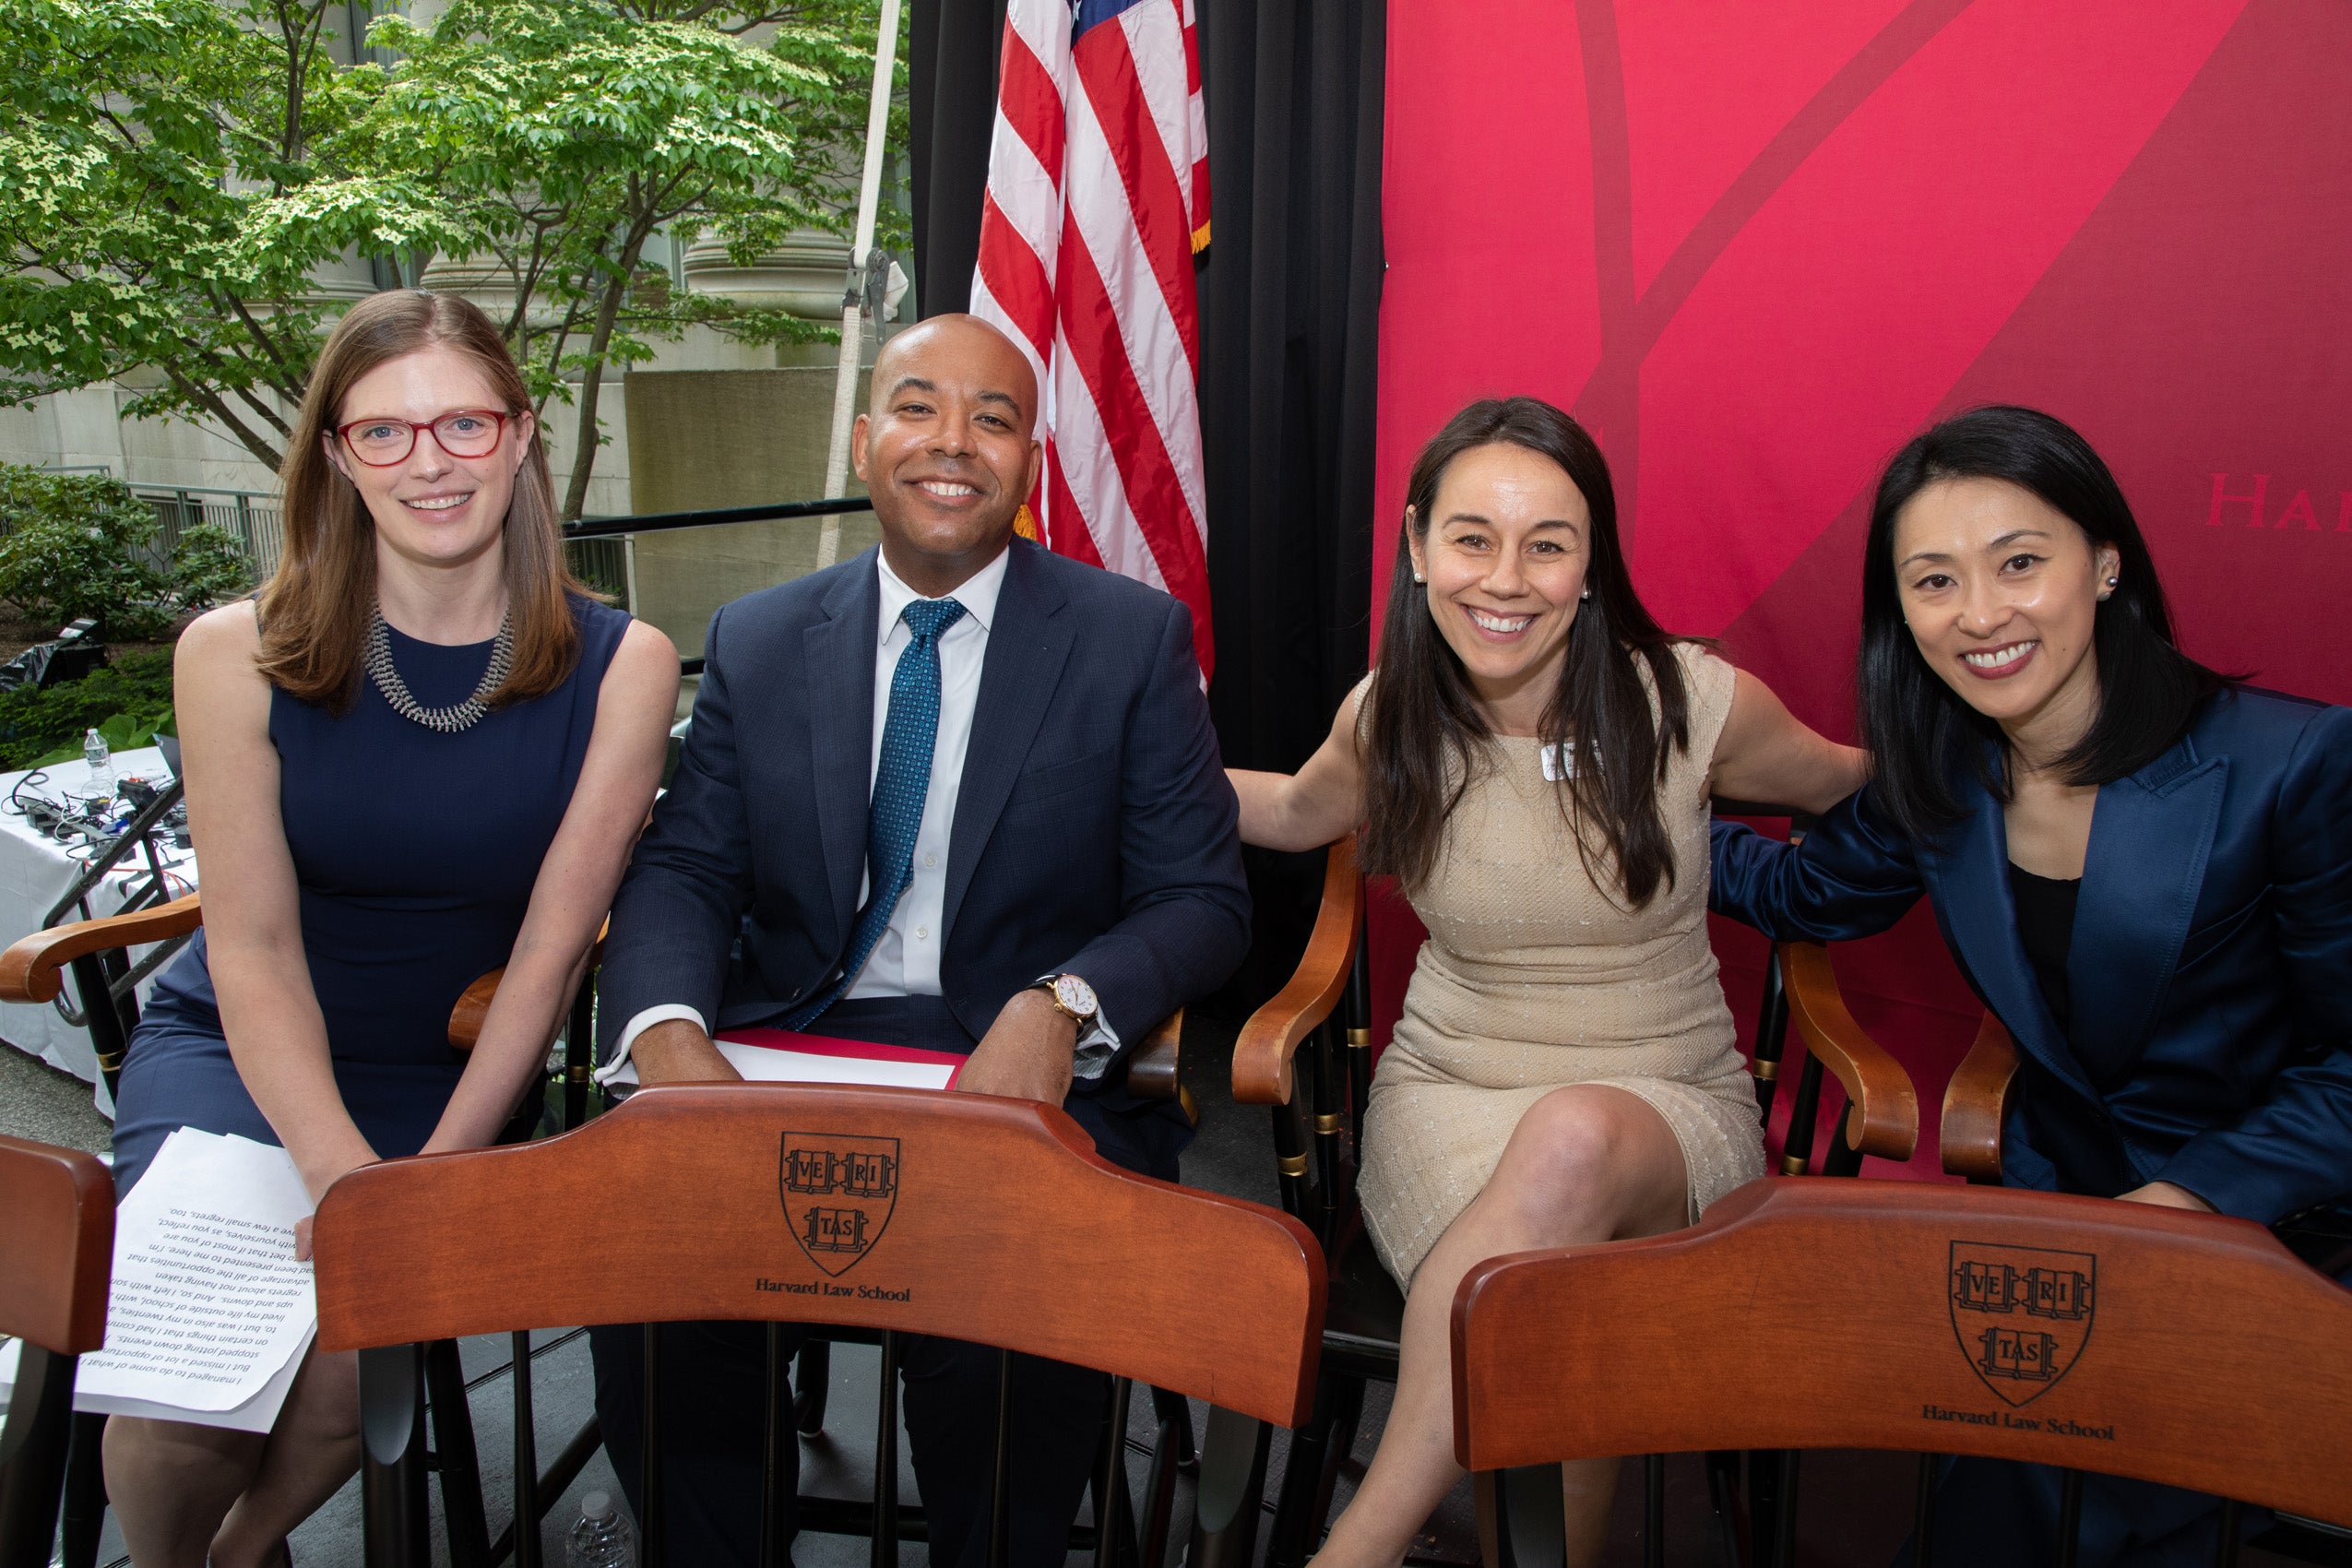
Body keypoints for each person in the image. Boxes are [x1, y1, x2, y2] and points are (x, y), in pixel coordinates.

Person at [587, 313, 1249, 1567]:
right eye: (918, 407)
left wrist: (1058, 1005)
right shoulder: (762, 635)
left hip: (1011, 1065)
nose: (953, 442)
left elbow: (1202, 898)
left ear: (1029, 457)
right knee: (660, 1285)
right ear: (862, 437)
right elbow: (687, 864)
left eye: (992, 417)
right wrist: (667, 1035)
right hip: (789, 1044)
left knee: (1003, 1314)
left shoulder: (1126, 640)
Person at [1229, 396, 1869, 1566]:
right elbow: (1286, 808)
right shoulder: (1392, 715)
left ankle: (1350, 1553)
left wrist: (2037, 780)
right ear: (1419, 549)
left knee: (1574, 1145)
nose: (1506, 578)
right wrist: (1117, 760)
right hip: (1452, 1102)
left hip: (1670, 1104)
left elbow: (1848, 784)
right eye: (1473, 538)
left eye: (1549, 542)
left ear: (1591, 564)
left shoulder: (1688, 702)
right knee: (1572, 1307)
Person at [1708, 405, 2352, 1565]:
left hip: (2278, 1223)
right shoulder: (1946, 770)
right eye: (1935, 580)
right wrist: (1611, 809)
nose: (1982, 613)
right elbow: (1803, 895)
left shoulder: (2292, 762)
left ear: (2105, 563)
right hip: (2060, 1220)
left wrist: (2191, 1202)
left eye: (2019, 563)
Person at [101, 290, 679, 1568]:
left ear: (522, 435)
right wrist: (333, 1169)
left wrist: (420, 1182)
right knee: (180, 1386)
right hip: (243, 1056)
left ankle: (242, 1554)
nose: (430, 462)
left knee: (338, 1365)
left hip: (452, 1070)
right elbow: (246, 948)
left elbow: (547, 952)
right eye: (385, 433)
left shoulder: (621, 662)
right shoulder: (231, 652)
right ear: (335, 456)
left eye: (463, 423)